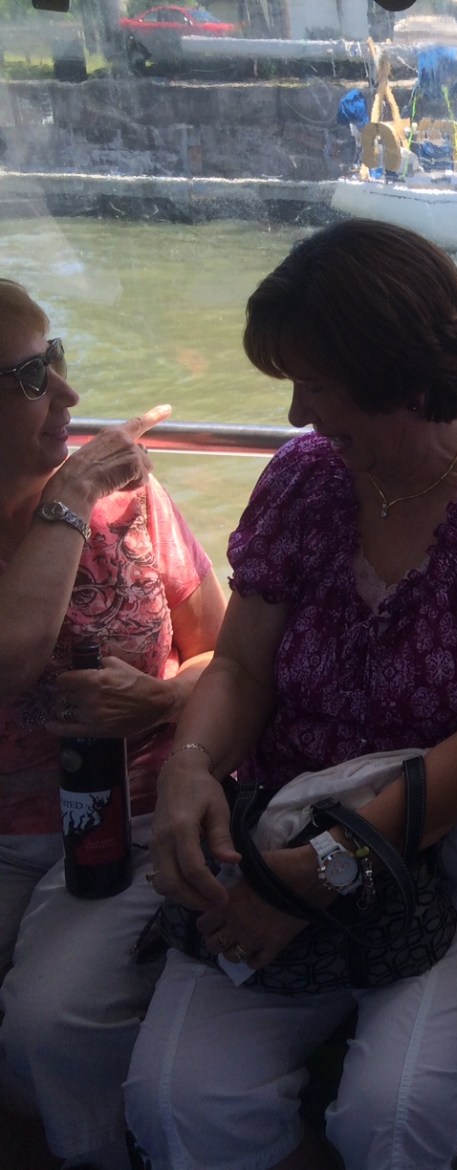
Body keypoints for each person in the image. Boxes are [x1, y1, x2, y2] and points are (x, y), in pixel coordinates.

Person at [125, 220, 457, 1170]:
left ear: (400, 377)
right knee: (178, 1098)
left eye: (316, 384)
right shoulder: (304, 484)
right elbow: (244, 668)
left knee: (398, 1109)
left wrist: (333, 873)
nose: (296, 413)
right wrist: (191, 768)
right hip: (288, 829)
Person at [0, 279, 225, 1170]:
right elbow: (13, 655)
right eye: (28, 376)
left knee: (51, 1020)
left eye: (56, 360)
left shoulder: (130, 504)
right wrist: (72, 493)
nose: (69, 395)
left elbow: (228, 656)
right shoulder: (90, 490)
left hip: (127, 822)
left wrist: (164, 700)